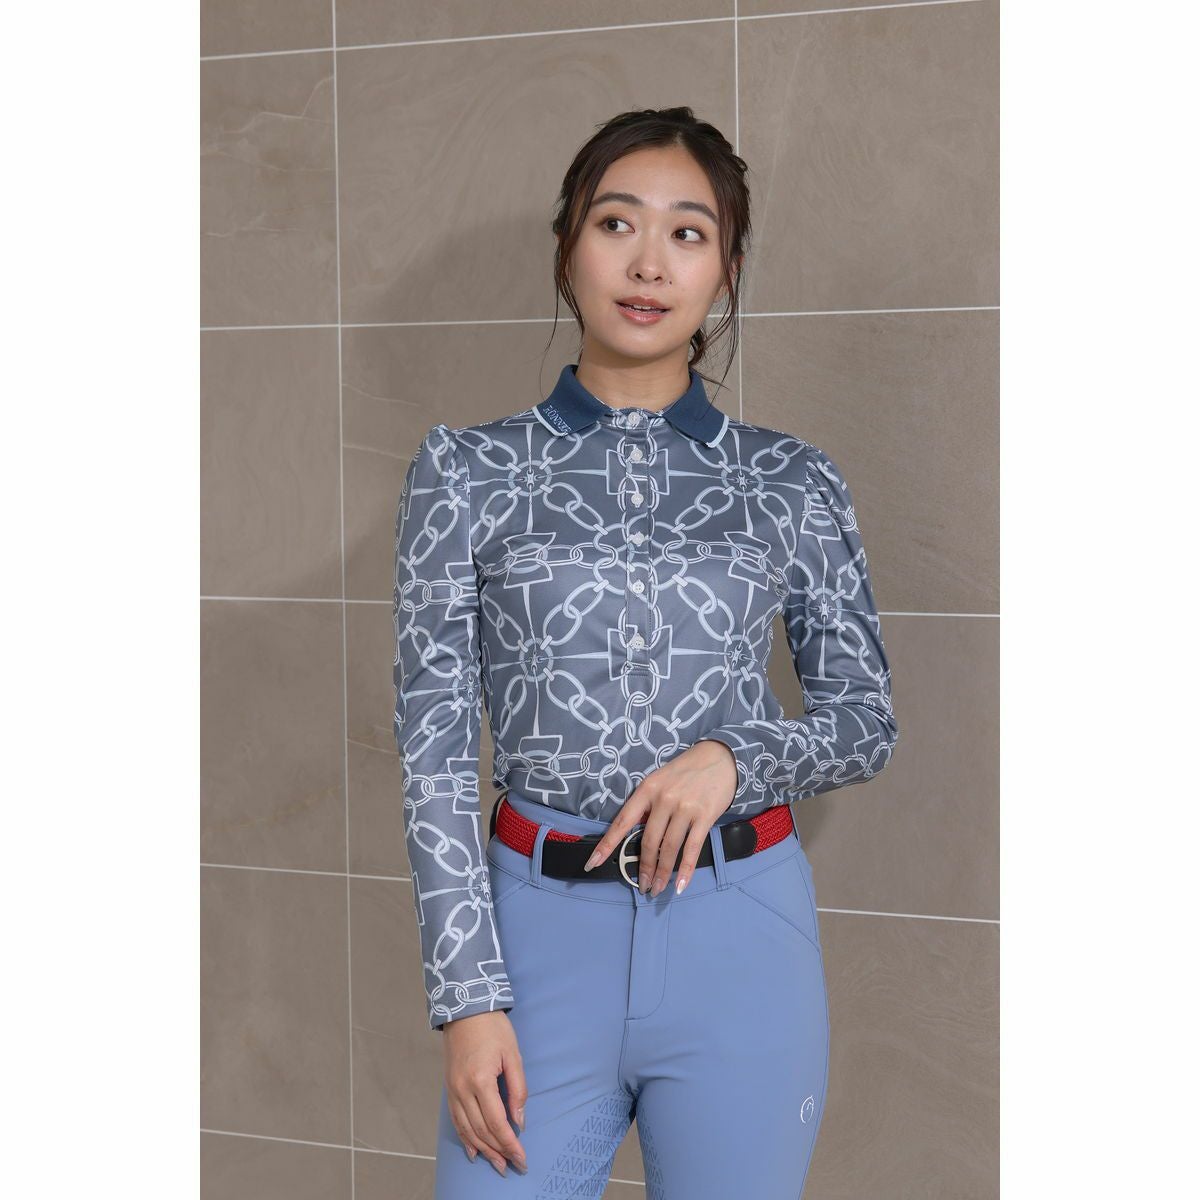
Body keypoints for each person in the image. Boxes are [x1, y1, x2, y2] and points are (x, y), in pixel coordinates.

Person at [392, 106, 899, 1199]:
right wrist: (468, 998)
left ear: (727, 271)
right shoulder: (464, 474)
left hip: (741, 940)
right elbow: (433, 753)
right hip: (534, 944)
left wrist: (737, 759)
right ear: (568, 247)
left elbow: (865, 719)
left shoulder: (792, 481)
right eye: (617, 223)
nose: (649, 263)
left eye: (688, 233)